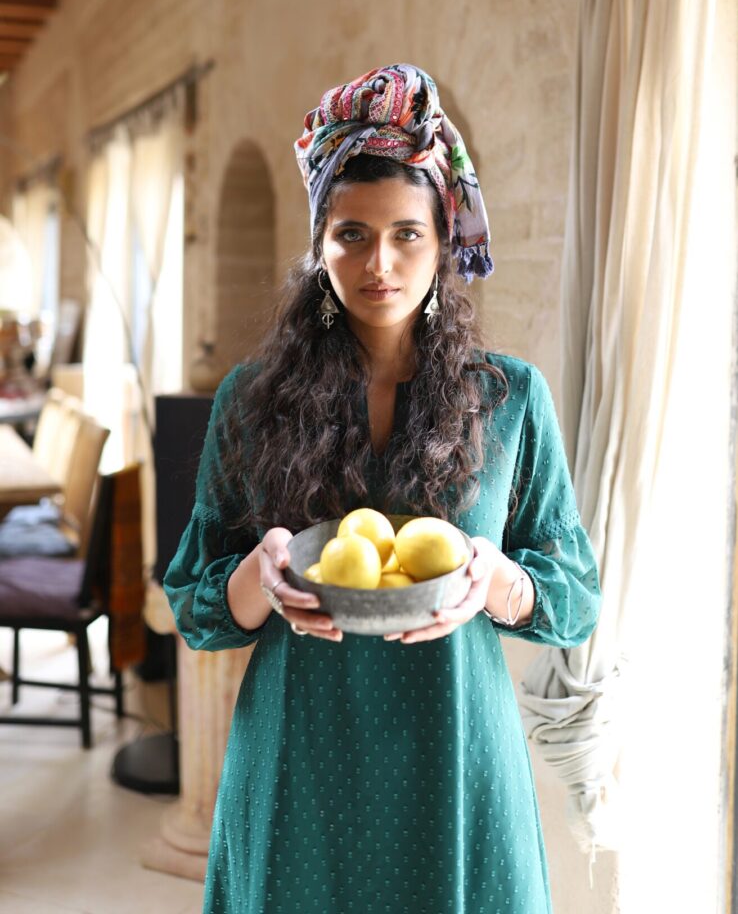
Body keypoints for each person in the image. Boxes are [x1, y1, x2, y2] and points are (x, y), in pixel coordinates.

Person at [164, 63, 601, 914]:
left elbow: (575, 597)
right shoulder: (251, 402)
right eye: (351, 234)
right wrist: (261, 574)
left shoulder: (510, 398)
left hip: (457, 752)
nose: (380, 263)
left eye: (407, 233)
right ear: (319, 245)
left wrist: (492, 578)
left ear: (444, 240)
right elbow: (193, 602)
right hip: (298, 752)